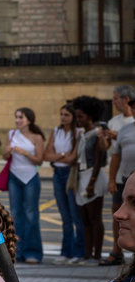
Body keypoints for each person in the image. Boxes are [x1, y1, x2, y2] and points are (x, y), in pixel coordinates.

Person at [3, 107, 45, 264]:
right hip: (14, 177)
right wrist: (7, 151)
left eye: (20, 117)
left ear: (29, 119)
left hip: (31, 177)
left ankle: (33, 252)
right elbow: (5, 155)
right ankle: (17, 252)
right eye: (16, 117)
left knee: (31, 214)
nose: (17, 120)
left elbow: (40, 160)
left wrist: (25, 153)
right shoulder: (12, 134)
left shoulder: (37, 137)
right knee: (15, 214)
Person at [44, 104, 84, 263]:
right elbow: (47, 155)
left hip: (70, 174)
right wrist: (61, 155)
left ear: (73, 116)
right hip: (57, 173)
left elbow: (72, 158)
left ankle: (79, 252)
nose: (63, 118)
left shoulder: (78, 132)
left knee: (75, 215)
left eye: (66, 115)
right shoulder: (56, 131)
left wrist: (57, 156)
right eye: (61, 114)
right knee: (65, 216)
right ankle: (65, 252)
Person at [72, 95, 108, 264]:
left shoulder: (97, 134)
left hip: (93, 177)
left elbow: (99, 159)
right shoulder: (82, 135)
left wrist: (92, 182)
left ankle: (97, 255)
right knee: (85, 220)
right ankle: (87, 255)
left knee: (95, 218)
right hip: (82, 176)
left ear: (91, 116)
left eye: (81, 116)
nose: (77, 120)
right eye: (77, 116)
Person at [103, 85, 134, 265]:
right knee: (118, 212)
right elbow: (116, 155)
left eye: (116, 99)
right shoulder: (125, 129)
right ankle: (117, 250)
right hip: (124, 179)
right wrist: (112, 179)